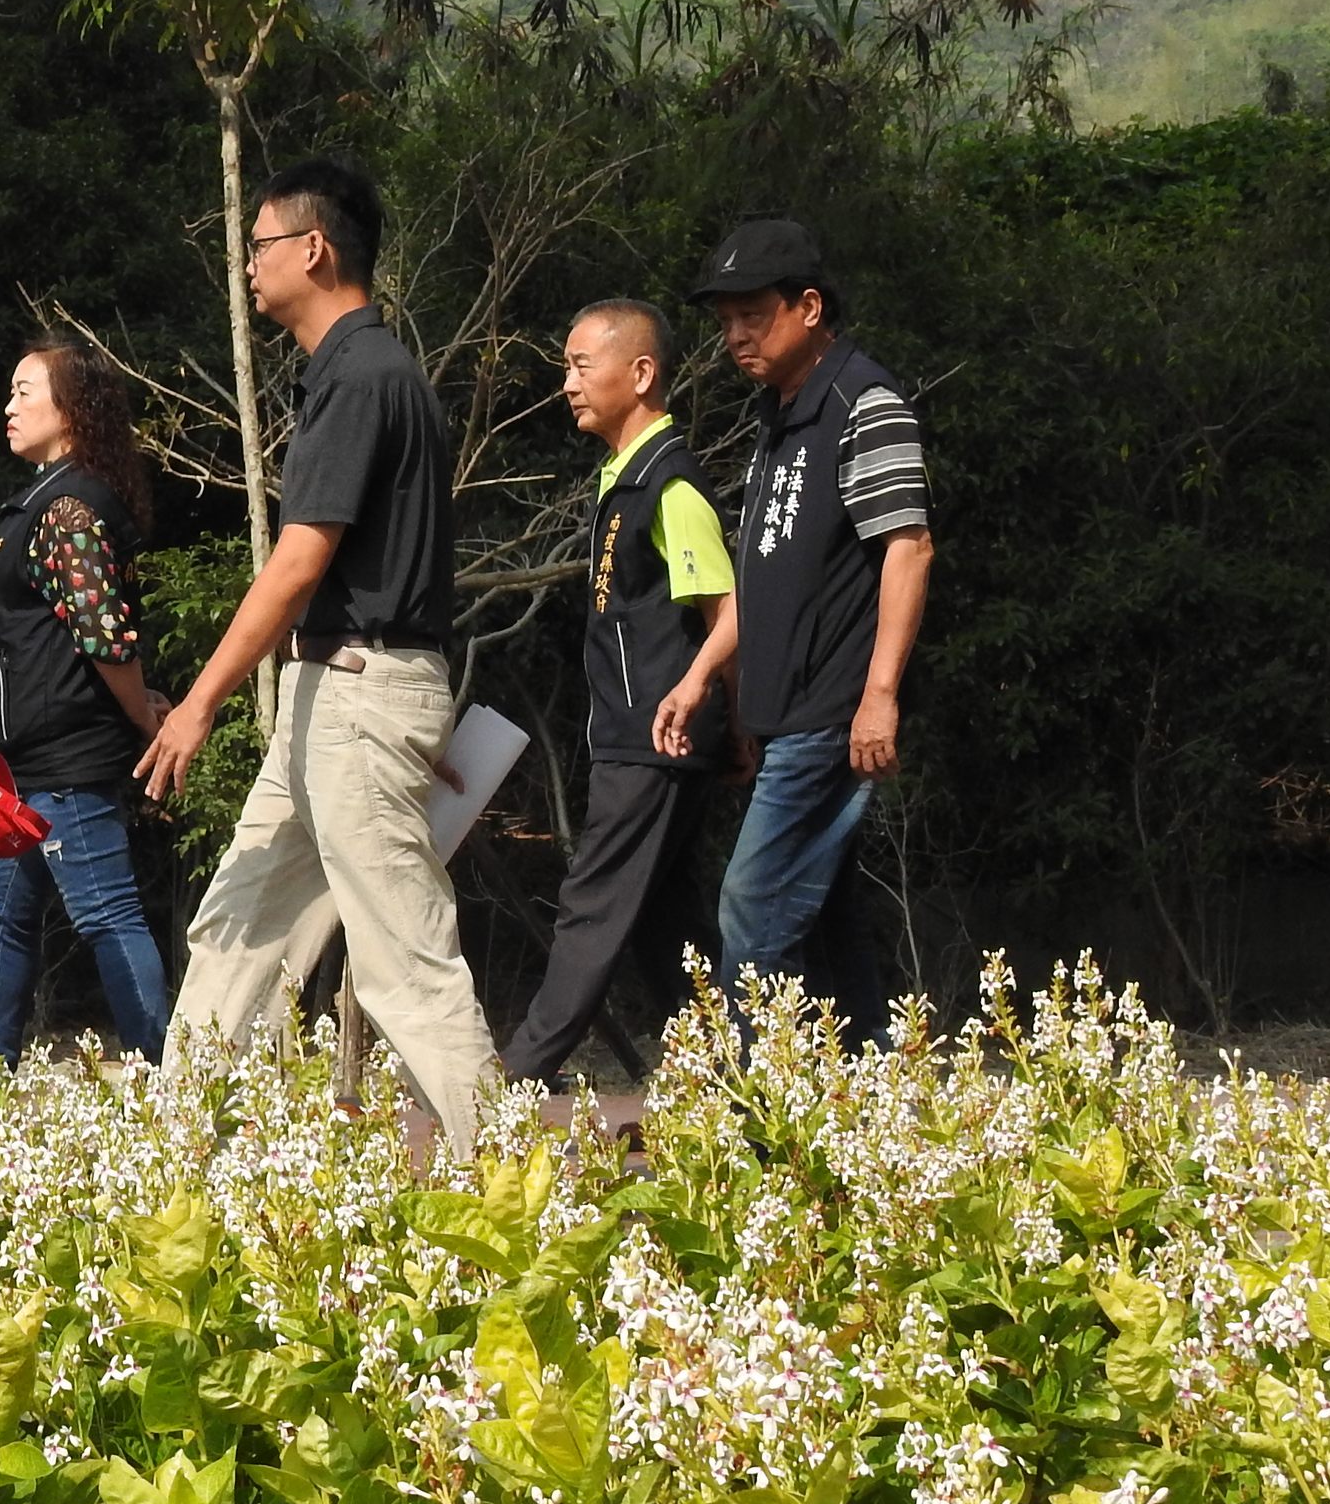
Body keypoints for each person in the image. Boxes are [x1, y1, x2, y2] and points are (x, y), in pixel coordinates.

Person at [139, 157, 497, 1156]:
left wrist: (198, 699)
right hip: (328, 693)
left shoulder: (363, 375)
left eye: (256, 245)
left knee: (402, 961)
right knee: (239, 923)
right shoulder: (353, 373)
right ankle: (185, 1157)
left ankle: (514, 1184)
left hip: (359, 690)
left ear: (312, 249)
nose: (245, 264)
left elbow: (299, 562)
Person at [653, 217, 935, 1037]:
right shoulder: (779, 418)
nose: (735, 336)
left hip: (832, 715)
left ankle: (770, 1119)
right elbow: (766, 583)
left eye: (753, 315)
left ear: (809, 307)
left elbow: (909, 549)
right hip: (788, 719)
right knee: (831, 926)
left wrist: (880, 694)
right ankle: (875, 1103)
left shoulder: (863, 401)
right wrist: (705, 677)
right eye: (725, 321)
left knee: (751, 912)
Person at [500, 298, 734, 1084]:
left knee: (594, 905)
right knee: (666, 927)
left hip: (656, 741)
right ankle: (741, 1086)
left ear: (640, 374)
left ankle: (521, 1077)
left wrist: (718, 710)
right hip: (640, 738)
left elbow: (730, 612)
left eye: (579, 364)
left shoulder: (670, 482)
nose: (567, 382)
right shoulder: (622, 478)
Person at [0, 340, 173, 1062]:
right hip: (21, 762)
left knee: (106, 911)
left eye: (26, 391)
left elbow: (104, 636)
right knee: (4, 911)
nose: (8, 405)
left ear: (72, 409)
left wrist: (145, 717)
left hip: (63, 758)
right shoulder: (48, 498)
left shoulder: (69, 508)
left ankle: (163, 1086)